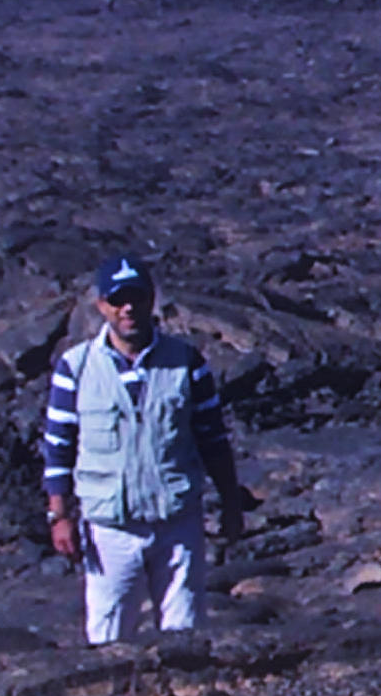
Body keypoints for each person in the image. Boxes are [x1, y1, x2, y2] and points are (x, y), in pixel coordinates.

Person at [38, 256, 251, 646]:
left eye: (136, 297)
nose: (128, 308)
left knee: (186, 636)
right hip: (109, 529)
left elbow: (213, 440)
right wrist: (59, 515)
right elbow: (58, 445)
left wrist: (231, 503)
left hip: (177, 523)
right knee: (108, 639)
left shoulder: (187, 363)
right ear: (102, 305)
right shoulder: (76, 368)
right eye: (118, 300)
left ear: (151, 299)